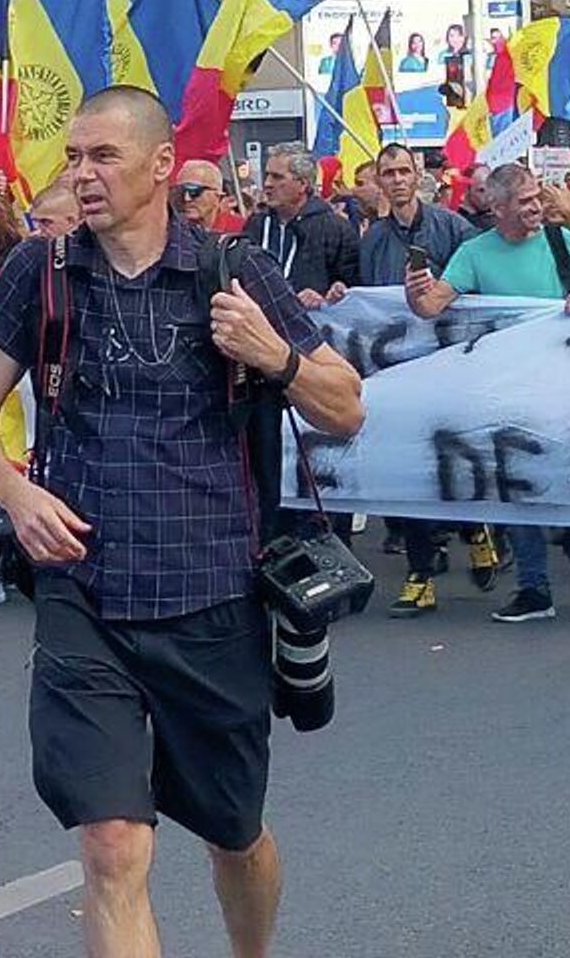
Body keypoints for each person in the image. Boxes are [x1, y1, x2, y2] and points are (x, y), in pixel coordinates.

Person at [0, 88, 363, 958]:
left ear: (161, 167)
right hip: (85, 593)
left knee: (234, 834)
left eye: (102, 156)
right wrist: (19, 498)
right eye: (73, 157)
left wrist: (275, 354)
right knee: (112, 844)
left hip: (212, 595)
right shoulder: (44, 271)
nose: (81, 175)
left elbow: (346, 409)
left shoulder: (234, 270)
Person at [406, 160, 568, 624]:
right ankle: (534, 588)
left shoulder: (560, 241)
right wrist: (416, 293)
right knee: (514, 489)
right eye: (525, 201)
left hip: (563, 389)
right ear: (496, 208)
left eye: (537, 196)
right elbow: (431, 306)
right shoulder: (475, 254)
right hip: (512, 394)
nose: (536, 206)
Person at [343, 142, 492, 617]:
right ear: (381, 182)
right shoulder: (371, 242)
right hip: (398, 375)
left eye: (404, 170)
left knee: (456, 462)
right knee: (407, 471)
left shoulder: (455, 228)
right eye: (388, 173)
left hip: (452, 368)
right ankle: (420, 575)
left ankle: (477, 529)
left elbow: (479, 286)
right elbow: (364, 302)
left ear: (418, 176)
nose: (397, 179)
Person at [241, 143, 359, 308]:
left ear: (303, 184)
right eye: (267, 175)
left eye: (277, 177)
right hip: (260, 323)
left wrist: (327, 297)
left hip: (314, 325)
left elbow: (352, 289)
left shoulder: (336, 229)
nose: (267, 183)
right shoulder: (256, 224)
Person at [174, 158, 243, 235]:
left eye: (194, 191)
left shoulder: (240, 228)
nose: (187, 198)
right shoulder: (172, 232)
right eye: (181, 191)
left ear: (217, 196)